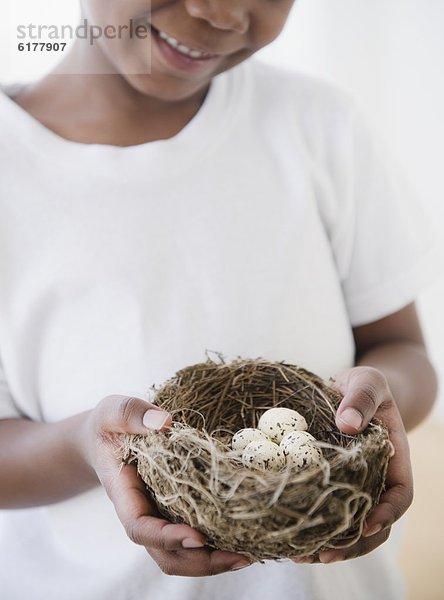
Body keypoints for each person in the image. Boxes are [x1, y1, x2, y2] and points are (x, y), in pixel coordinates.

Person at [0, 1, 438, 599]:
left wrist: (381, 407)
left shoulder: (317, 124)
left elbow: (403, 350)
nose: (226, 13)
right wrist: (86, 445)